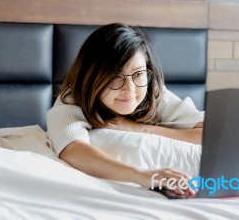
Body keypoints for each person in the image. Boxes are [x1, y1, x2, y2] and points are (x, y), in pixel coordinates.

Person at [47, 23, 204, 196]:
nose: (129, 88)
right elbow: (73, 150)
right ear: (92, 77)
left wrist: (140, 128)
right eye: (115, 76)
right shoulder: (71, 100)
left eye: (137, 74)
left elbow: (209, 134)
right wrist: (143, 176)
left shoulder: (152, 90)